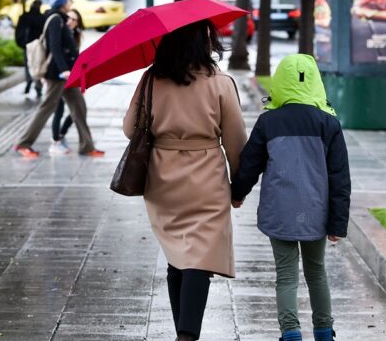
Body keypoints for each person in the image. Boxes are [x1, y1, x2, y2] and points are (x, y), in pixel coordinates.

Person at [123, 20, 246, 341]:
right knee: (199, 257)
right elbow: (235, 140)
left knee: (177, 254)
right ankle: (187, 335)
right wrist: (239, 187)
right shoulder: (220, 82)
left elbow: (129, 128)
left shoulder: (151, 79)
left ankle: (183, 332)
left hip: (162, 177)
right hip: (206, 176)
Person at [231, 54, 351, 341]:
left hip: (280, 210)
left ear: (280, 82)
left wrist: (238, 194)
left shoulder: (268, 122)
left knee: (286, 274)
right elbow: (340, 177)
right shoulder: (329, 124)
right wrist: (338, 223)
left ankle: (291, 333)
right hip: (316, 211)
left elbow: (250, 164)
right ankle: (324, 332)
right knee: (316, 272)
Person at [12, 0, 104, 158]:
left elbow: (70, 48)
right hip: (57, 74)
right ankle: (23, 144)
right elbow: (55, 46)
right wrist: (63, 70)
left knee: (79, 107)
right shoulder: (55, 20)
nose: (71, 4)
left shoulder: (62, 20)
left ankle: (87, 145)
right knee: (47, 107)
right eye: (69, 1)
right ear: (62, 3)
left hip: (67, 74)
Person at [49, 8, 84, 155]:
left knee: (78, 109)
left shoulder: (76, 35)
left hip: (72, 77)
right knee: (59, 109)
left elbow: (76, 58)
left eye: (73, 19)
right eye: (68, 18)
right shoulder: (61, 30)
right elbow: (56, 51)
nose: (70, 21)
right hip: (60, 76)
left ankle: (62, 134)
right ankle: (55, 140)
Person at [15, 0, 45, 98]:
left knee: (28, 64)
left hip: (27, 45)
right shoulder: (41, 18)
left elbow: (18, 32)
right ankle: (38, 86)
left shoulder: (24, 17)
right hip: (38, 45)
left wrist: (22, 43)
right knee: (37, 65)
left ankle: (29, 81)